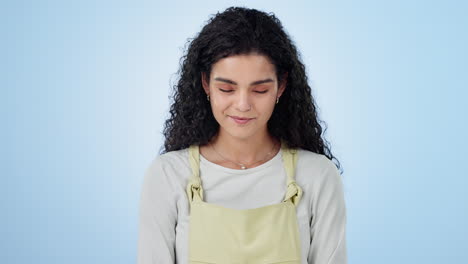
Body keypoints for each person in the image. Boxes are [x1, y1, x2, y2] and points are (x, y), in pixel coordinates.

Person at [137, 6, 347, 264]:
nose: (243, 105)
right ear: (206, 84)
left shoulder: (317, 176)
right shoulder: (169, 175)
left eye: (259, 90)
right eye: (227, 88)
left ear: (281, 86)